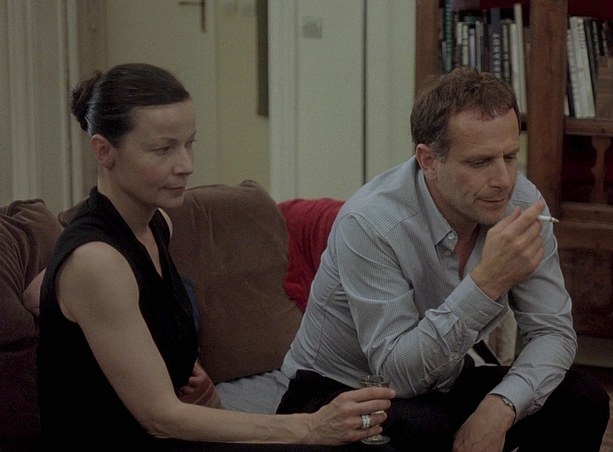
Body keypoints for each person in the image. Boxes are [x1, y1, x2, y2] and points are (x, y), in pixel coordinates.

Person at [36, 63, 395, 450]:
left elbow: (42, 292)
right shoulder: (96, 262)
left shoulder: (156, 224)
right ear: (104, 151)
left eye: (189, 143)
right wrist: (310, 427)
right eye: (163, 149)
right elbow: (160, 417)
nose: (186, 165)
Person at [278, 66, 610, 451]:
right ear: (429, 161)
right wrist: (487, 283)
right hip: (336, 392)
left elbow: (553, 332)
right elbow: (397, 375)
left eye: (510, 156)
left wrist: (500, 407)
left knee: (582, 399)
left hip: (439, 381)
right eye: (480, 162)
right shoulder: (369, 223)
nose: (504, 179)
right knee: (426, 429)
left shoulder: (520, 201)